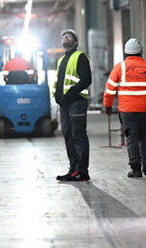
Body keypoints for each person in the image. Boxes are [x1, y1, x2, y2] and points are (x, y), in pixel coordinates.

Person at [104, 38, 146, 178]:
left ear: (126, 52)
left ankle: (136, 169)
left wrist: (107, 106)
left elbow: (110, 89)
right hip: (144, 110)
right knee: (145, 137)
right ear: (140, 52)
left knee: (132, 138)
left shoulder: (120, 68)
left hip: (127, 110)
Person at [52, 29, 92, 182]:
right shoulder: (61, 60)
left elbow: (86, 79)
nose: (65, 37)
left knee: (78, 135)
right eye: (63, 36)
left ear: (75, 42)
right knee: (68, 135)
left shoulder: (80, 57)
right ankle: (73, 169)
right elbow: (59, 82)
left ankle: (82, 171)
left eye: (69, 36)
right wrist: (57, 96)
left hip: (76, 102)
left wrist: (71, 93)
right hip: (64, 104)